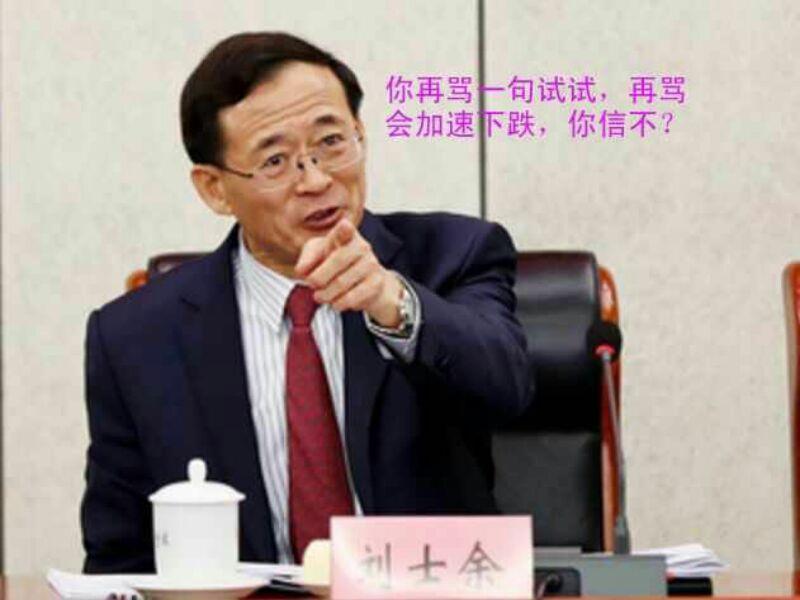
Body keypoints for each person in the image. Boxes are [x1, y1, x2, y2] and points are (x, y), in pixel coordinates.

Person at [81, 31, 531, 573]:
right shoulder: (135, 338)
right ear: (214, 188)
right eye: (275, 161)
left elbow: (508, 386)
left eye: (332, 142)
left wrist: (393, 302)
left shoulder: (454, 255)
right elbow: (119, 559)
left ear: (361, 135)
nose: (317, 179)